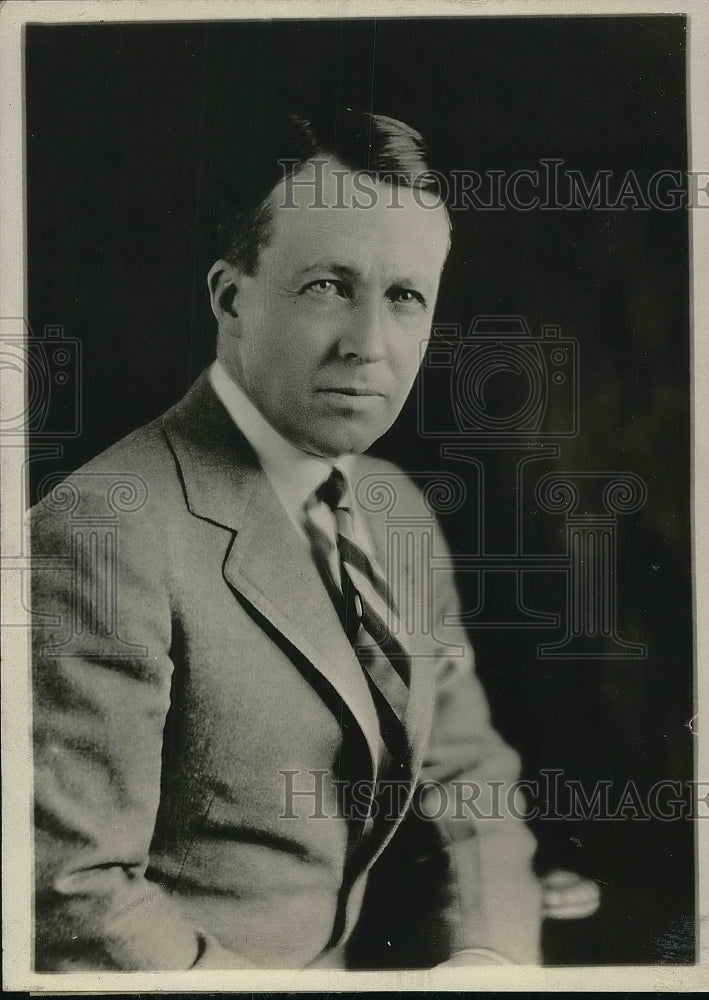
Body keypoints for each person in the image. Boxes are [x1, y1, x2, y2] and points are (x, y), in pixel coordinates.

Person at [30, 110, 544, 971]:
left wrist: (487, 961)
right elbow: (71, 892)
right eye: (326, 287)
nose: (367, 346)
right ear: (231, 300)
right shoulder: (102, 529)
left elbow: (469, 781)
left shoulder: (393, 505)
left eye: (404, 297)